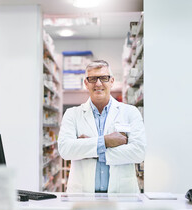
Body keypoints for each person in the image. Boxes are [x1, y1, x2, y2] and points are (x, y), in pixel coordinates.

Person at [58, 60, 146, 193]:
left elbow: (139, 152)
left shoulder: (130, 112)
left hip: (123, 194)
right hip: (82, 194)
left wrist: (89, 149)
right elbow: (65, 150)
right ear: (86, 83)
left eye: (104, 78)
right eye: (92, 79)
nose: (98, 83)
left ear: (112, 81)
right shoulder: (72, 114)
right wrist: (106, 141)